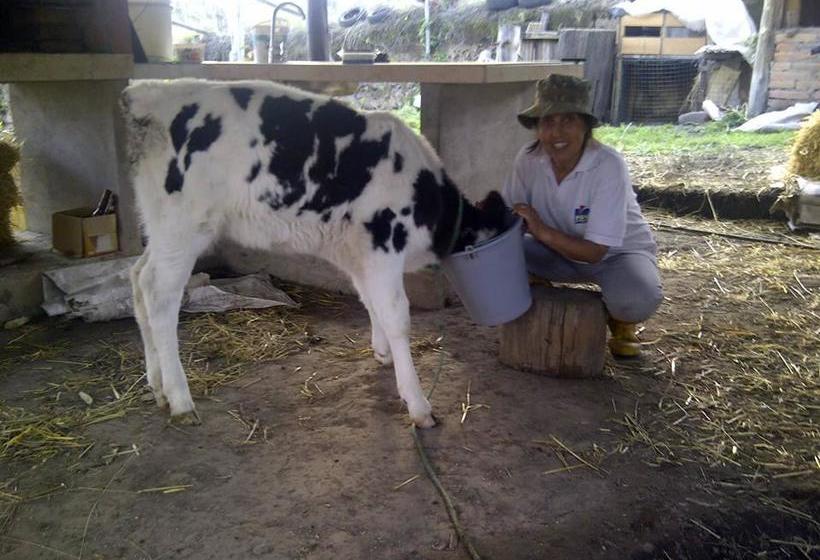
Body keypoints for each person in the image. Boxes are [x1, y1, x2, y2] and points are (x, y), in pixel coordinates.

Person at [503, 74, 663, 358]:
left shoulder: (608, 166)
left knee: (637, 300)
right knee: (502, 252)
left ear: (586, 125)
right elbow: (511, 216)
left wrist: (540, 230)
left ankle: (620, 318)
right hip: (554, 253)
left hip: (616, 257)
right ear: (537, 128)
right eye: (548, 122)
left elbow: (595, 252)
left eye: (568, 121)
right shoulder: (527, 160)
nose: (557, 133)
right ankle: (538, 286)